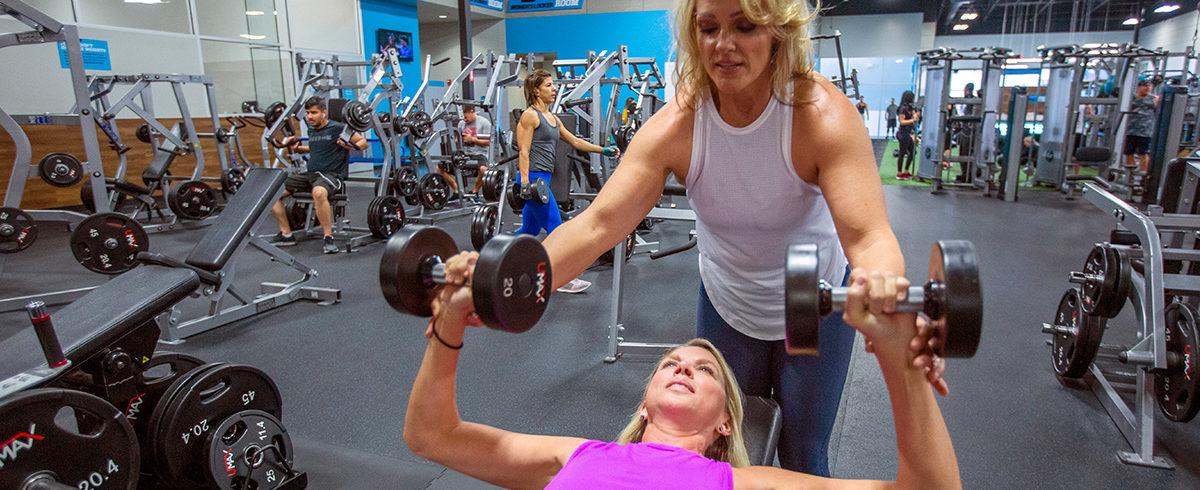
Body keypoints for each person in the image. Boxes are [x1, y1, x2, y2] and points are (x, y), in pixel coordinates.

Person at [459, 0, 946, 475]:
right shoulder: (680, 123)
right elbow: (599, 224)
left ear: (777, 33)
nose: (724, 45)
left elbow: (868, 237)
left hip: (816, 309)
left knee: (803, 457)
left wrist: (886, 292)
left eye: (745, 27)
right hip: (727, 306)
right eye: (709, 28)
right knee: (723, 461)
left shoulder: (819, 115)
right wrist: (500, 283)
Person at [403, 251, 961, 488]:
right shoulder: (572, 456)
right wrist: (451, 317)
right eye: (670, 363)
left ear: (727, 423)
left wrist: (897, 356)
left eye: (706, 369)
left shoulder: (740, 482)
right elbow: (432, 437)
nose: (683, 367)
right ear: (643, 403)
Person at [516, 69, 621, 294]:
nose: (554, 89)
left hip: (543, 178)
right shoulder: (530, 116)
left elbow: (574, 141)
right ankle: (561, 278)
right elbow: (523, 152)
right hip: (533, 179)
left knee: (528, 230)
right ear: (536, 90)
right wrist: (525, 182)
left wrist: (603, 150)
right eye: (548, 85)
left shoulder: (552, 119)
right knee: (557, 229)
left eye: (553, 85)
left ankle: (490, 258)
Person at [269, 96, 368, 254]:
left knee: (319, 192)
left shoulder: (338, 127)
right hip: (311, 174)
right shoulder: (312, 129)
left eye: (314, 113)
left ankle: (328, 238)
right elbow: (317, 148)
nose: (309, 116)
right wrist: (299, 148)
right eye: (308, 113)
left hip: (332, 175)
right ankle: (286, 234)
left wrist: (349, 145)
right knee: (273, 192)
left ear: (324, 113)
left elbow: (363, 143)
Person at [1124, 79, 1160, 173]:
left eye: (1149, 86)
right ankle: (1130, 174)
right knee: (1129, 152)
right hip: (1129, 130)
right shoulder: (1130, 97)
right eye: (1145, 86)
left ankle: (1143, 176)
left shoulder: (1153, 98)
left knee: (1142, 153)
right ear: (1139, 87)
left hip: (1145, 132)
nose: (1148, 88)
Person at [459, 106, 492, 199]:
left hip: (479, 154)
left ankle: (475, 192)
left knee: (484, 170)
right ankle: (456, 192)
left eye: (466, 117)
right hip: (464, 154)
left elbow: (489, 142)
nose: (464, 120)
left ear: (472, 112)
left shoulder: (484, 122)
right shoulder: (461, 124)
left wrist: (473, 139)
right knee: (440, 168)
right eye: (463, 117)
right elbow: (457, 139)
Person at [896, 91, 919, 180]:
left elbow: (915, 117)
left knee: (913, 152)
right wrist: (912, 120)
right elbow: (901, 121)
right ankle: (899, 173)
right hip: (902, 133)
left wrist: (915, 115)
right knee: (902, 153)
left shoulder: (910, 108)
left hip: (908, 133)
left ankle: (906, 171)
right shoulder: (903, 108)